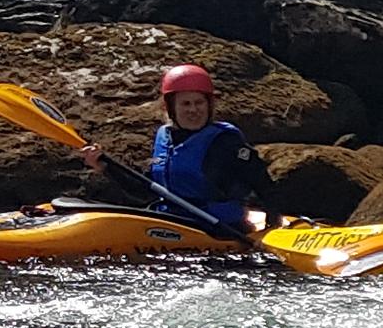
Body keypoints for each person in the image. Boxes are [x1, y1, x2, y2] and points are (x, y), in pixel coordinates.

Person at [77, 63, 276, 234]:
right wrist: (106, 166)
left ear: (209, 105)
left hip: (219, 229)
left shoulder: (225, 142)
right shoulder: (165, 137)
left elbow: (262, 183)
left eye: (199, 103)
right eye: (185, 104)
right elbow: (145, 189)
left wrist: (272, 223)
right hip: (171, 222)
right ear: (170, 108)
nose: (193, 110)